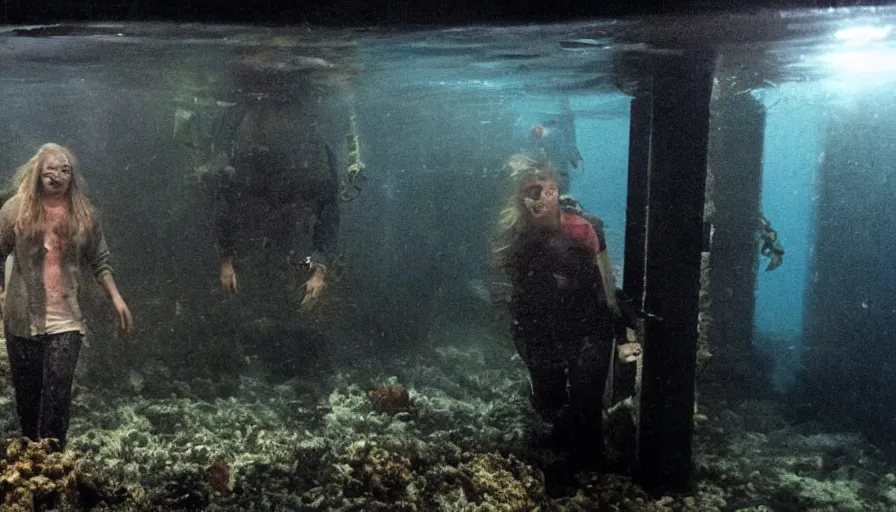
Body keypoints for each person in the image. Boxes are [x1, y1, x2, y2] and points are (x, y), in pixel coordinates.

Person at [0, 143, 134, 446]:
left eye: (64, 170)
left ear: (72, 176)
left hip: (67, 322)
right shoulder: (14, 211)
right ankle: (31, 466)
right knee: (27, 400)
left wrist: (117, 299)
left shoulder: (84, 213)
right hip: (21, 321)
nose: (57, 177)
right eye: (50, 171)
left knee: (57, 398)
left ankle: (54, 465)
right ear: (36, 174)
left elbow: (100, 259)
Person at [495, 153, 619, 468]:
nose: (535, 200)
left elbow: (607, 287)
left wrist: (622, 332)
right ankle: (561, 431)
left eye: (543, 190)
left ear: (556, 190)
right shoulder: (518, 235)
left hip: (583, 321)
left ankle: (588, 464)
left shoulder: (585, 230)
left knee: (587, 403)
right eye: (528, 193)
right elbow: (516, 288)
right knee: (548, 400)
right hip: (538, 322)